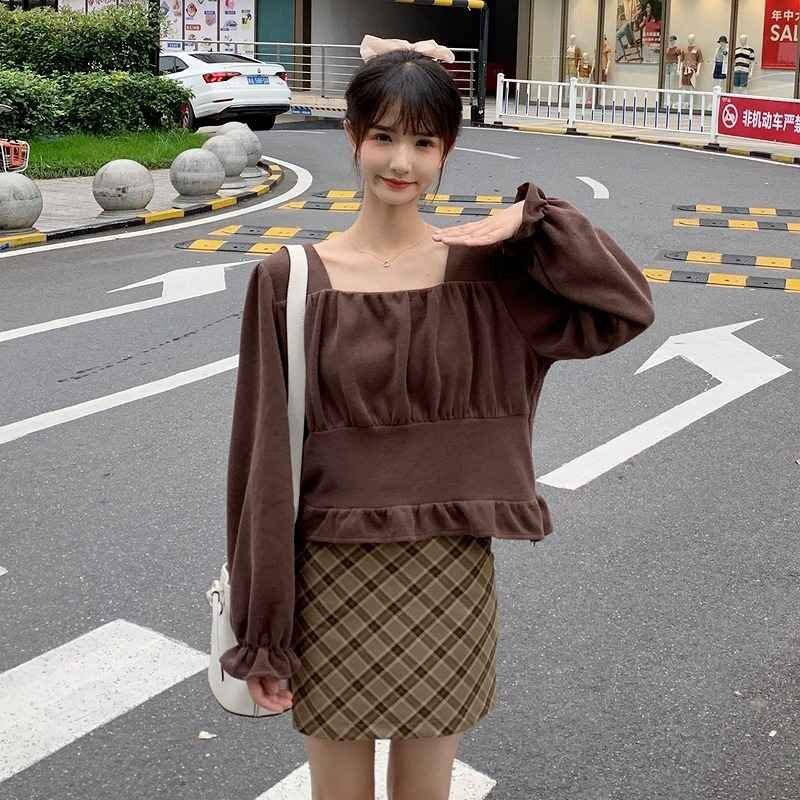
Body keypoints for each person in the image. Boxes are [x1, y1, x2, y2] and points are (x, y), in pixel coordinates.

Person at [221, 33, 656, 800]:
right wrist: (263, 628)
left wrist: (534, 223)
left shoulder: (488, 278)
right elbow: (260, 463)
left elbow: (623, 309)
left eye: (424, 143)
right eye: (384, 137)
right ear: (353, 137)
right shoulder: (290, 281)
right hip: (328, 578)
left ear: (447, 151)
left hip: (447, 571)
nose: (402, 162)